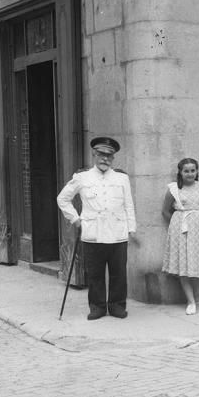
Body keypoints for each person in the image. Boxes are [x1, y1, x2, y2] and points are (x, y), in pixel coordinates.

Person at [56, 136, 137, 320]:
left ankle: (117, 306)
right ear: (94, 154)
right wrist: (75, 219)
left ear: (113, 158)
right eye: (101, 154)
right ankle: (97, 307)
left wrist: (131, 228)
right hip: (93, 232)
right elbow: (62, 198)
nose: (105, 159)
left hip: (118, 233)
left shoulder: (122, 178)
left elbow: (129, 205)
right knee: (95, 273)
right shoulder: (82, 177)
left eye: (109, 156)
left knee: (119, 273)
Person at [161, 157, 199, 315]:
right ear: (180, 172)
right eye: (186, 171)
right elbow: (165, 211)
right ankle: (191, 302)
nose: (190, 173)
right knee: (184, 267)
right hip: (181, 231)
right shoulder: (173, 189)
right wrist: (175, 226)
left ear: (197, 171)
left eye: (193, 170)